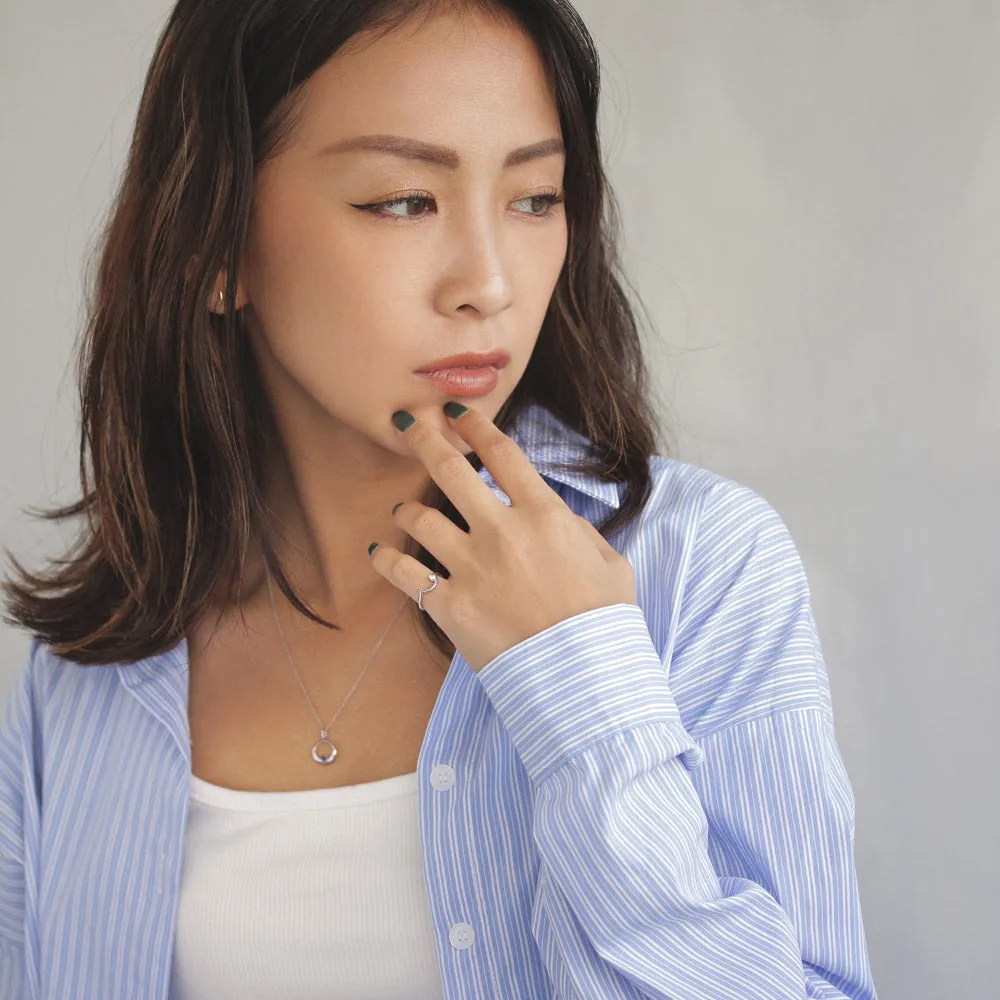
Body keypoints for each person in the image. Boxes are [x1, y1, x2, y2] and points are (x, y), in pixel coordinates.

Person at [0, 0, 879, 997]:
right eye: (404, 200)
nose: (488, 282)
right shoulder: (96, 665)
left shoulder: (696, 569)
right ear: (214, 247)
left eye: (535, 197)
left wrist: (583, 689)